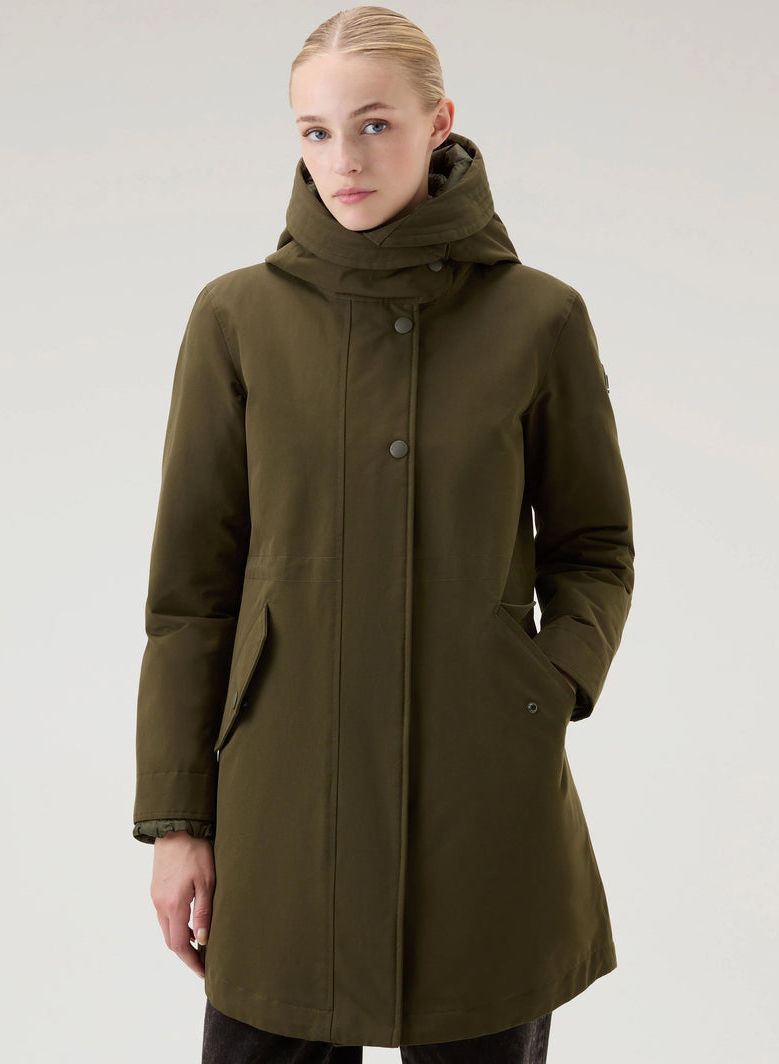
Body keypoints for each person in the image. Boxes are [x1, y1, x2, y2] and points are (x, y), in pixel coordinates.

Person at [133, 6, 635, 1063]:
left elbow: (593, 545)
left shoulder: (538, 318)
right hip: (281, 807)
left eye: (373, 124)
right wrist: (178, 821)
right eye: (316, 131)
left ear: (438, 122)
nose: (343, 160)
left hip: (481, 796)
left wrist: (544, 683)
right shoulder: (236, 318)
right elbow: (191, 594)